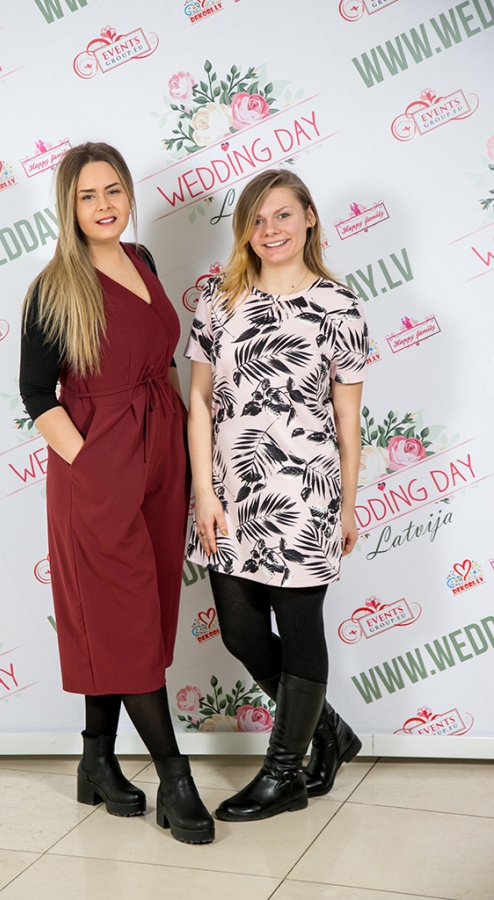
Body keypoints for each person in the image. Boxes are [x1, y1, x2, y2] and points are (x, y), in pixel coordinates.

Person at [19, 142, 214, 844]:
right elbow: (36, 394)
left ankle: (95, 762)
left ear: (129, 194)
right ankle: (175, 778)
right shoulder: (54, 287)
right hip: (99, 467)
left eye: (114, 191)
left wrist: (183, 451)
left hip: (162, 454)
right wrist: (94, 464)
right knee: (126, 615)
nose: (104, 206)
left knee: (139, 607)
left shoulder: (144, 259)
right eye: (88, 196)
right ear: (68, 207)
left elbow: (162, 360)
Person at [185, 168, 368, 822]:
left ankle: (283, 772)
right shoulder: (220, 299)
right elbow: (200, 401)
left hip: (305, 493)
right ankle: (329, 731)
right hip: (230, 494)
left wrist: (347, 504)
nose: (270, 230)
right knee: (240, 631)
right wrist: (204, 492)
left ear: (309, 217)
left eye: (283, 215)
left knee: (298, 627)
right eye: (257, 220)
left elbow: (348, 418)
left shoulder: (339, 305)